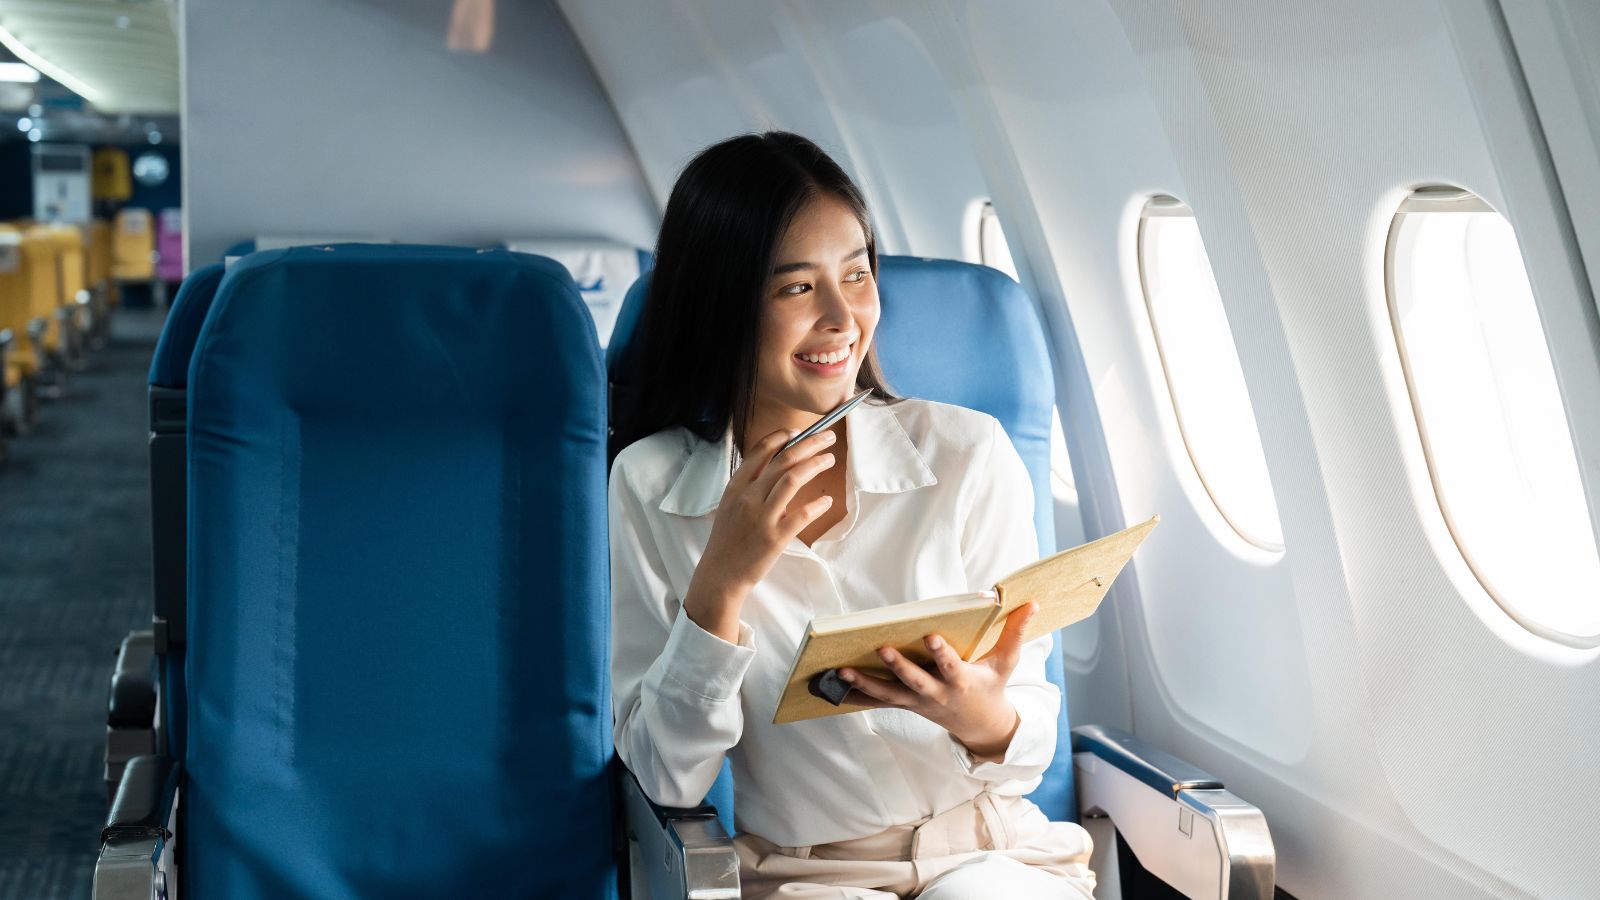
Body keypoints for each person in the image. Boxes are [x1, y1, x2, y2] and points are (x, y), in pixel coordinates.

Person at [609, 131, 1095, 899]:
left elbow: (1028, 737)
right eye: (796, 288)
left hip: (991, 859)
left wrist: (984, 718)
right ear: (721, 304)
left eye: (858, 276)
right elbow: (665, 779)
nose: (843, 318)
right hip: (805, 877)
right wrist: (720, 588)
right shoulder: (649, 485)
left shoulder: (967, 452)